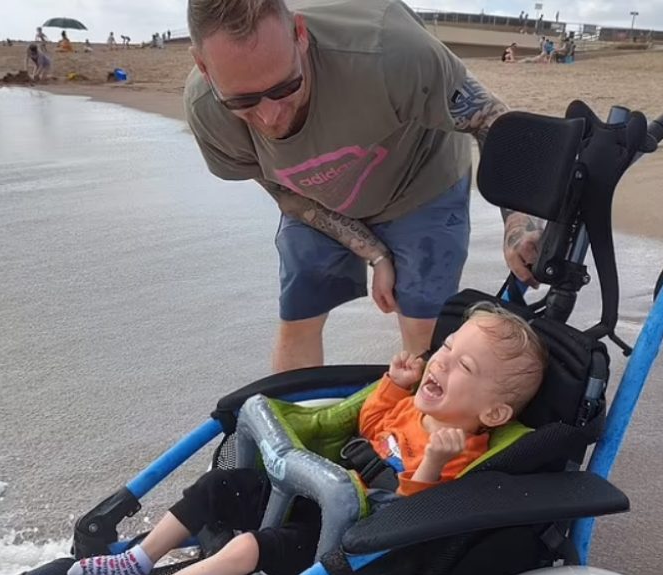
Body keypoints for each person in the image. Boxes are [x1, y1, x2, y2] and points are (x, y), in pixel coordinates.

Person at [67, 304, 548, 575]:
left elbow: (413, 521)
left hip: (341, 538)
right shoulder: (411, 410)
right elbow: (369, 422)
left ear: (495, 414)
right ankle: (137, 560)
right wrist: (392, 385)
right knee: (218, 486)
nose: (440, 363)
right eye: (444, 349)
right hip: (310, 494)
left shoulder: (458, 449)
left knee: (248, 549)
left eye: (463, 365)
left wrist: (435, 463)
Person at [183, 0, 547, 374]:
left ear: (300, 35)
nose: (269, 116)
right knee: (299, 318)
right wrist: (374, 253)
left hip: (419, 177)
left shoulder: (388, 49)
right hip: (315, 197)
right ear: (203, 67)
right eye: (242, 100)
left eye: (285, 87)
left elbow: (494, 120)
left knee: (425, 333)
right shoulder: (207, 114)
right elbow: (283, 191)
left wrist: (519, 221)